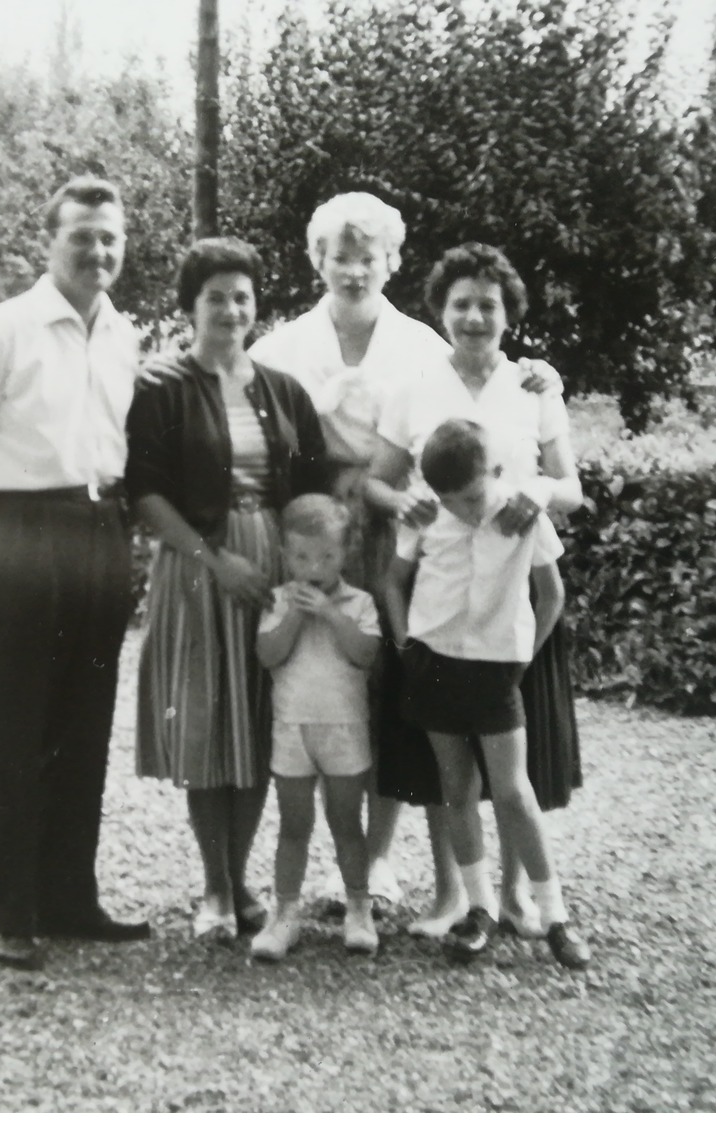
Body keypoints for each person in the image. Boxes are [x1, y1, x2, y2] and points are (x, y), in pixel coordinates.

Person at [243, 193, 562, 913]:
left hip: (409, 528)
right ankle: (335, 867)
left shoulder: (422, 344)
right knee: (323, 684)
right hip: (320, 526)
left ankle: (386, 864)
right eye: (339, 255)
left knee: (398, 692)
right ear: (317, 258)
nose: (354, 270)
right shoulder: (280, 348)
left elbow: (489, 389)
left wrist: (543, 376)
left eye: (369, 255)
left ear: (391, 260)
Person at [0, 175, 149, 972]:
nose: (98, 251)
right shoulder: (3, 328)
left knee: (83, 725)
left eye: (110, 238)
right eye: (82, 236)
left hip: (100, 533)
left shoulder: (125, 337)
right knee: (13, 727)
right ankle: (7, 910)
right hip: (19, 529)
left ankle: (68, 897)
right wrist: (0, 531)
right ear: (49, 242)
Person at [371, 241, 585, 939]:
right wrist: (399, 504)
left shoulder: (534, 386)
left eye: (487, 305)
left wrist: (537, 492)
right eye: (460, 303)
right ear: (441, 309)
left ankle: (522, 897)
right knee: (452, 767)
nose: (473, 316)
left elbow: (572, 488)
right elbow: (376, 479)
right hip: (440, 599)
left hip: (514, 602)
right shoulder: (412, 388)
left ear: (507, 313)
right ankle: (459, 898)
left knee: (516, 770)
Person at [125, 237, 330, 942]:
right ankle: (216, 888)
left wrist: (302, 575)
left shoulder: (283, 389)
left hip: (270, 568)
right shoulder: (160, 387)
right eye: (216, 296)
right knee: (210, 728)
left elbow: (312, 490)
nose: (231, 308)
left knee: (258, 725)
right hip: (197, 570)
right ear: (191, 305)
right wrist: (214, 560)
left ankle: (239, 880)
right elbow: (144, 493)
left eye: (242, 296)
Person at [383, 419, 591, 970]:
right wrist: (408, 645)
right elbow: (391, 581)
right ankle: (478, 909)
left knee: (514, 792)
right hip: (434, 663)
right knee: (455, 788)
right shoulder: (429, 517)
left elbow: (551, 594)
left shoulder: (525, 515)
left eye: (473, 496)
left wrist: (522, 658)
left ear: (496, 473)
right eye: (453, 501)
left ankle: (554, 916)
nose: (467, 510)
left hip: (497, 669)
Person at [251, 494, 382, 961]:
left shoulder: (360, 603)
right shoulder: (279, 600)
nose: (315, 567)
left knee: (347, 823)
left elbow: (365, 653)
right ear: (287, 556)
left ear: (344, 555)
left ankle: (359, 909)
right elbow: (268, 655)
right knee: (293, 824)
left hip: (345, 730)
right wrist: (293, 616)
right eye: (303, 557)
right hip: (292, 729)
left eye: (327, 556)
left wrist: (329, 613)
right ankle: (284, 915)